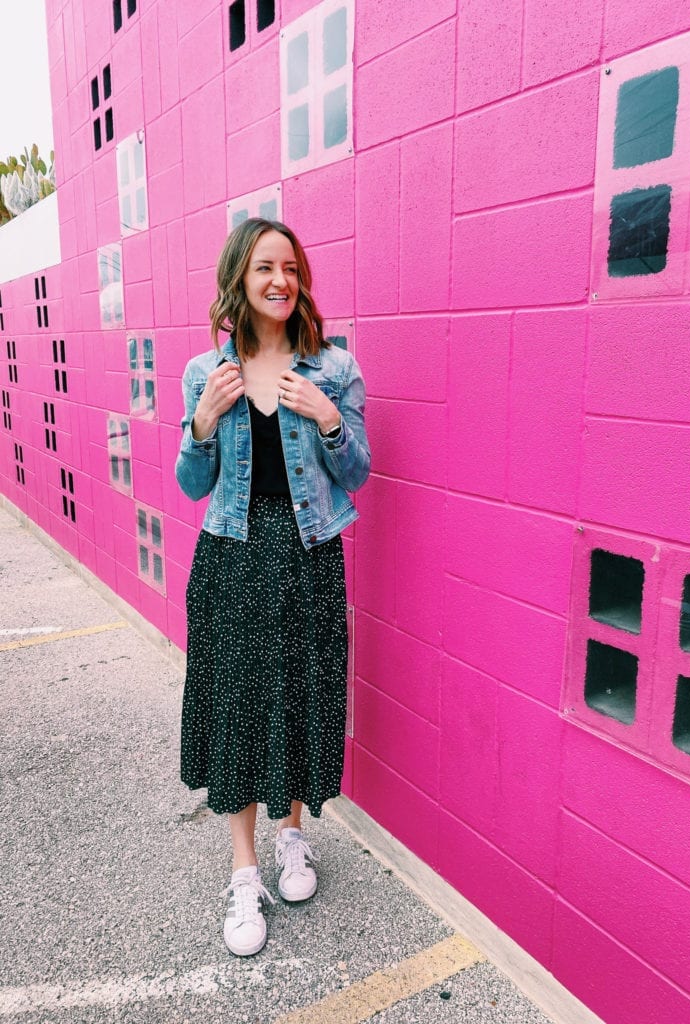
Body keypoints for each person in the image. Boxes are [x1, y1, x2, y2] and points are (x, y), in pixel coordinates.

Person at [175, 218, 370, 957]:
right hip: (231, 558)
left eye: (291, 268)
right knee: (237, 706)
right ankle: (243, 869)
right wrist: (201, 423)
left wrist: (327, 423)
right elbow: (194, 484)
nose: (281, 280)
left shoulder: (335, 370)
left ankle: (294, 838)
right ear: (240, 278)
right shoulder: (206, 373)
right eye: (265, 267)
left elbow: (357, 473)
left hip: (308, 556)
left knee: (299, 694)